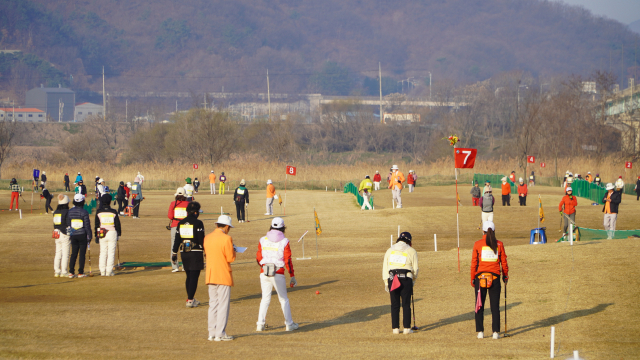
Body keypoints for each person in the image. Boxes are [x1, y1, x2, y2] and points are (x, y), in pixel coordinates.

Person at [255, 217, 299, 332]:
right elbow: (288, 259)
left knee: (265, 299)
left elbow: (259, 257)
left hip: (264, 272)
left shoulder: (262, 239)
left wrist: (263, 267)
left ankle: (260, 324)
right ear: (283, 227)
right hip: (278, 272)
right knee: (283, 299)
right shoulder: (285, 241)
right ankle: (289, 324)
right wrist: (292, 275)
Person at [470, 221, 509, 340]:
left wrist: (472, 277)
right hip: (495, 278)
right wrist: (505, 275)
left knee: (479, 305)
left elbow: (474, 263)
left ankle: (480, 332)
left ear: (483, 231)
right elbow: (504, 262)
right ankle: (496, 332)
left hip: (480, 278)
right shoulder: (500, 244)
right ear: (494, 231)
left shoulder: (477, 244)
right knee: (495, 307)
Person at [204, 215, 237, 341]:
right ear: (227, 227)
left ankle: (212, 332)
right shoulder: (227, 238)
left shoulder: (207, 237)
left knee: (213, 304)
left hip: (211, 274)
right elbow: (230, 258)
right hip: (223, 274)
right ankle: (220, 333)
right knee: (223, 305)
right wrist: (234, 250)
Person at [382, 231, 419, 335]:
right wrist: (413, 280)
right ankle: (407, 328)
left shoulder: (389, 250)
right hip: (406, 279)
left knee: (394, 305)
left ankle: (395, 329)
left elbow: (385, 268)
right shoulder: (411, 251)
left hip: (392, 278)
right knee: (406, 304)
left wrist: (386, 282)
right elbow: (415, 269)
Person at [172, 202, 206, 307]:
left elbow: (177, 239)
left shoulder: (181, 223)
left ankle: (189, 298)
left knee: (189, 276)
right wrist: (206, 251)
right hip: (195, 252)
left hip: (184, 251)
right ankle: (190, 300)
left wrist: (174, 252)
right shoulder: (198, 223)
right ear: (196, 212)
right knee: (194, 276)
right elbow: (201, 239)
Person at [95, 194, 122, 276]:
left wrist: (96, 235)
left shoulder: (98, 212)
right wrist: (119, 234)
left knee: (103, 252)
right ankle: (109, 271)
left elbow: (96, 225)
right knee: (111, 253)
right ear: (110, 202)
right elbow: (118, 224)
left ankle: (102, 271)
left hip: (102, 233)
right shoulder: (113, 211)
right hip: (112, 232)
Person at [67, 194, 92, 278]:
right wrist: (90, 235)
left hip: (73, 234)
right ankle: (80, 272)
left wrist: (70, 234)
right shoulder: (84, 212)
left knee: (73, 254)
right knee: (82, 254)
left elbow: (68, 224)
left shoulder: (70, 211)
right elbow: (87, 225)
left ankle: (71, 272)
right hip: (82, 235)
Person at [168, 187, 190, 272]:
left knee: (174, 246)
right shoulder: (188, 204)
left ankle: (175, 266)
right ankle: (185, 265)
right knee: (186, 245)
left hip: (175, 226)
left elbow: (170, 216)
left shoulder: (173, 203)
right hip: (186, 227)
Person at [52, 194, 71, 277]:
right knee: (65, 254)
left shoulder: (55, 212)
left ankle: (57, 271)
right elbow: (68, 223)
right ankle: (64, 271)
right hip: (64, 233)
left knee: (58, 253)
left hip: (56, 233)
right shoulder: (67, 212)